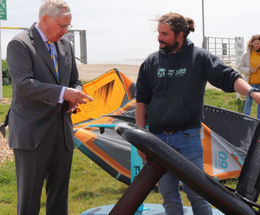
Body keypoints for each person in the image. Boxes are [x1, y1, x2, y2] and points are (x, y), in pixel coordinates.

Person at [135, 12, 260, 215]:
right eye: (159, 33)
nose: (159, 38)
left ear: (180, 34)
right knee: (169, 197)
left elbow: (229, 77)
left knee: (198, 195)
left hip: (187, 137)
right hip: (156, 138)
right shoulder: (151, 61)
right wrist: (142, 138)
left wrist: (253, 92)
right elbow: (141, 101)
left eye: (164, 33)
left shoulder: (200, 57)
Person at [6, 0, 93, 214]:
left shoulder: (65, 45)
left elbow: (74, 80)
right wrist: (65, 93)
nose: (65, 31)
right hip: (33, 133)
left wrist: (74, 93)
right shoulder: (20, 44)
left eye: (68, 27)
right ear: (45, 19)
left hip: (62, 133)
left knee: (59, 197)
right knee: (29, 200)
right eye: (62, 26)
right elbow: (25, 85)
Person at [238, 35, 260, 119]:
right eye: (255, 43)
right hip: (250, 84)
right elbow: (240, 67)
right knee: (248, 103)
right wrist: (249, 70)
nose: (256, 45)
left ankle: (258, 123)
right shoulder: (246, 54)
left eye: (258, 43)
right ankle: (245, 120)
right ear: (251, 43)